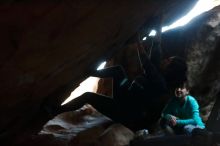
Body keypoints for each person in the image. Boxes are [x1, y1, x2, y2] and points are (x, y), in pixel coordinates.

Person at [55, 32, 187, 132]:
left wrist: (136, 40)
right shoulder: (163, 79)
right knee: (118, 71)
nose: (165, 59)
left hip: (126, 113)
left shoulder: (160, 82)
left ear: (171, 69)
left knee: (88, 96)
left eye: (169, 61)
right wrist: (159, 24)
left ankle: (54, 111)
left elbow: (146, 61)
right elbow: (156, 52)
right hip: (127, 99)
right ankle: (90, 72)